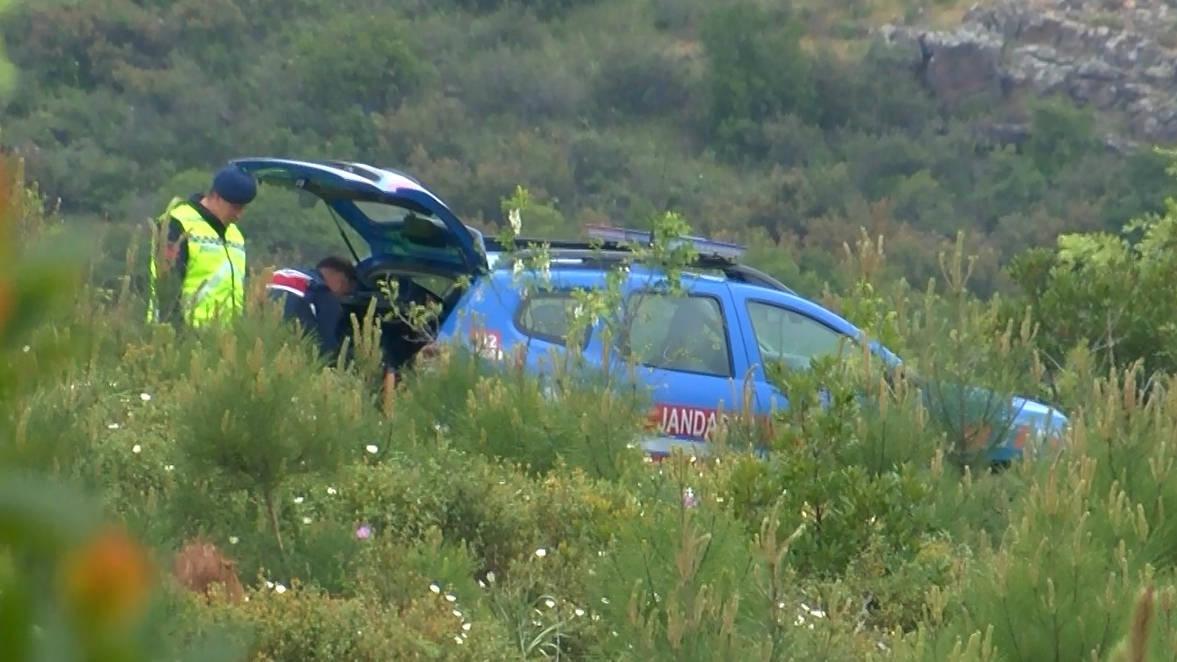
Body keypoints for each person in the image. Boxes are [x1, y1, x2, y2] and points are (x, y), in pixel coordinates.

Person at [147, 164, 256, 328]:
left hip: (223, 342)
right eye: (235, 207)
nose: (239, 215)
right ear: (217, 197)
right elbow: (166, 289)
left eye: (243, 208)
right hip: (181, 338)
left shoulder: (234, 234)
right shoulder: (176, 225)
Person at [265, 256, 358, 362]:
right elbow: (327, 348)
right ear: (342, 281)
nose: (341, 297)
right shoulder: (322, 293)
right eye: (346, 293)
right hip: (290, 357)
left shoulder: (281, 274)